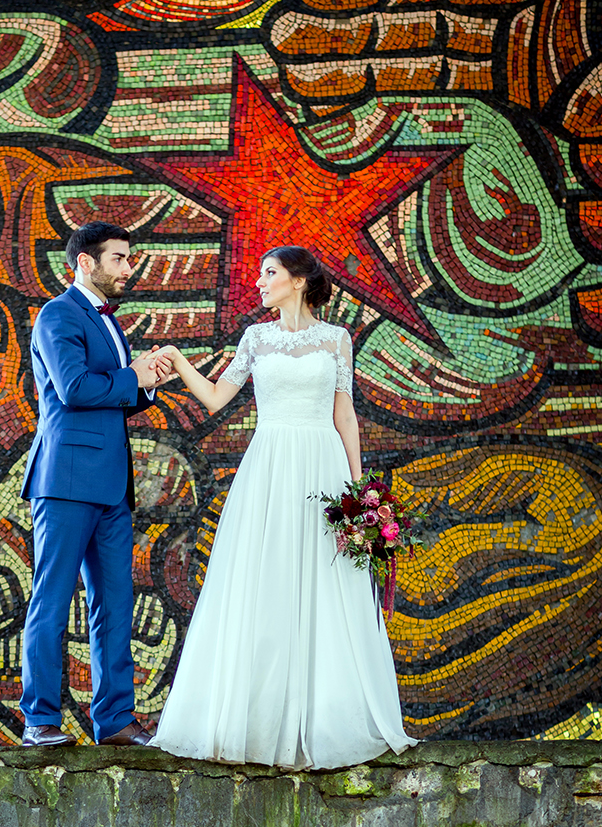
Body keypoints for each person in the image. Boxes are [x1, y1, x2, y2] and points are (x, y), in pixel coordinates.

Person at [151, 245, 415, 768]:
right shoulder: (256, 338)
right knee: (264, 580)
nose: (259, 282)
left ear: (297, 281)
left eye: (269, 273)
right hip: (269, 468)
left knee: (325, 583)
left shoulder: (336, 340)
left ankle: (326, 720)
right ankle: (255, 722)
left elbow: (345, 417)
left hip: (322, 465)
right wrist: (178, 361)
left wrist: (360, 493)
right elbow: (216, 398)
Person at [19, 221, 166, 747]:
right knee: (52, 601)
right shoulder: (57, 314)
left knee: (116, 606)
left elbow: (112, 396)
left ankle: (116, 722)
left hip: (112, 488)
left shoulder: (109, 321)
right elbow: (75, 389)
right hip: (64, 483)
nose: (128, 267)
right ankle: (39, 721)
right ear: (86, 262)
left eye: (129, 258)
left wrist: (148, 384)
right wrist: (134, 377)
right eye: (119, 258)